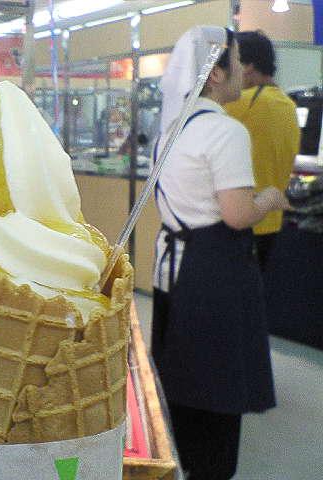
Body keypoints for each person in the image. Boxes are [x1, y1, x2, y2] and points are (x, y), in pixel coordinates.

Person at [150, 26, 288, 479]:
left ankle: (181, 458)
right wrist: (269, 198)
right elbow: (237, 214)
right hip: (214, 271)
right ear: (215, 74)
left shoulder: (172, 130)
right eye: (236, 60)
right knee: (217, 383)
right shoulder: (225, 132)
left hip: (173, 266)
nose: (243, 71)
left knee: (181, 372)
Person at [225, 30, 300, 270]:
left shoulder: (240, 103)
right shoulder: (289, 106)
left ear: (247, 67)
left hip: (240, 220)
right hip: (272, 221)